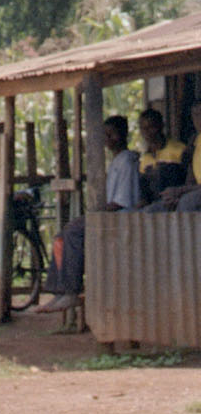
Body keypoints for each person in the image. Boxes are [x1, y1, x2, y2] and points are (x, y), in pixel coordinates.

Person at [40, 115, 142, 312]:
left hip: (120, 218)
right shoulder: (115, 162)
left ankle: (71, 292)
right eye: (105, 134)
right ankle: (59, 291)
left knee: (72, 232)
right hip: (108, 214)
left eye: (112, 134)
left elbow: (121, 202)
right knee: (60, 237)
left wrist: (95, 215)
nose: (108, 138)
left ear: (123, 135)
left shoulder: (127, 161)